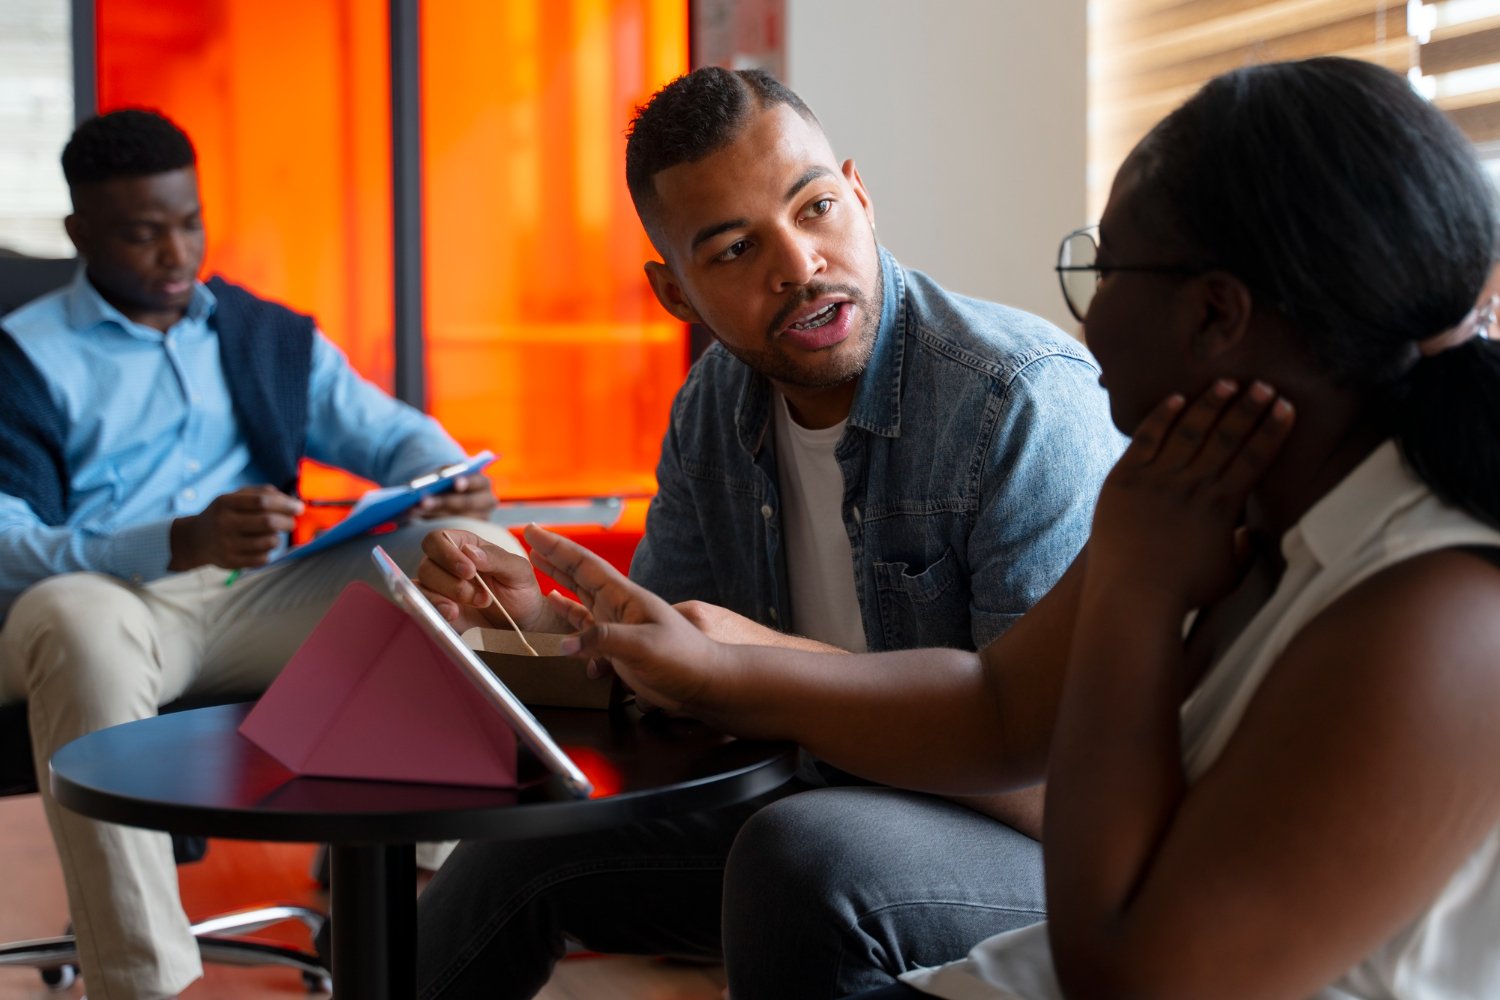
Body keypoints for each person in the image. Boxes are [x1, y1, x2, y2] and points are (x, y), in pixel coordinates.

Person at [507, 56, 1500, 1000]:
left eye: (1105, 273)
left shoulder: (1440, 613)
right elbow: (994, 706)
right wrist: (648, 652)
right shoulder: (1227, 502)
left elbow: (1133, 975)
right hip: (1012, 973)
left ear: (1214, 315)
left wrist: (1138, 594)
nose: (1086, 328)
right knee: (527, 863)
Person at [415, 68, 1122, 997]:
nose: (799, 264)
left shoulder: (1019, 400)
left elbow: (1066, 788)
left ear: (861, 195)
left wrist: (766, 672)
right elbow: (678, 672)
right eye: (737, 249)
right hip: (827, 805)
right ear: (676, 294)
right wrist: (546, 628)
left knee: (801, 853)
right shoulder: (713, 406)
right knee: (522, 850)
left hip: (1061, 856)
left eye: (817, 207)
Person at [0, 108, 522, 1000]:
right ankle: (141, 981)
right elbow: (9, 548)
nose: (176, 254)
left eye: (189, 222)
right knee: (73, 619)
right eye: (143, 233)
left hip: (257, 601)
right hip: (106, 599)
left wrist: (444, 478)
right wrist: (174, 538)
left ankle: (426, 879)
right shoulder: (22, 357)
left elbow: (393, 434)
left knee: (467, 551)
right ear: (81, 231)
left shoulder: (262, 334)